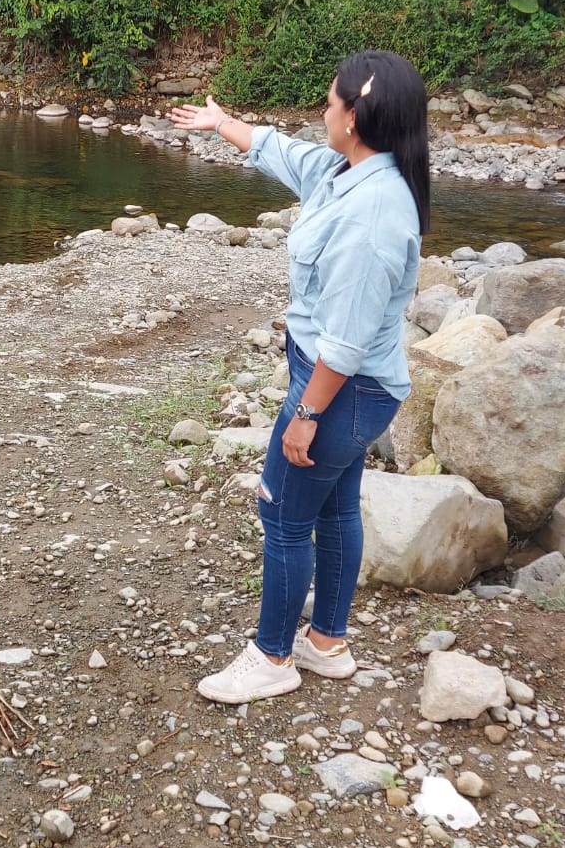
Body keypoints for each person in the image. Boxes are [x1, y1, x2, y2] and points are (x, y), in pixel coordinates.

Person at [169, 51, 430, 704]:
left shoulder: (374, 214)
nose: (323, 110)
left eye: (330, 101)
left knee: (282, 512)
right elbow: (282, 152)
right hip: (352, 386)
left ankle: (272, 657)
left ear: (356, 116)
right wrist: (221, 123)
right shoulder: (348, 170)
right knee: (336, 508)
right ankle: (327, 644)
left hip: (340, 389)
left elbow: (345, 343)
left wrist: (306, 416)